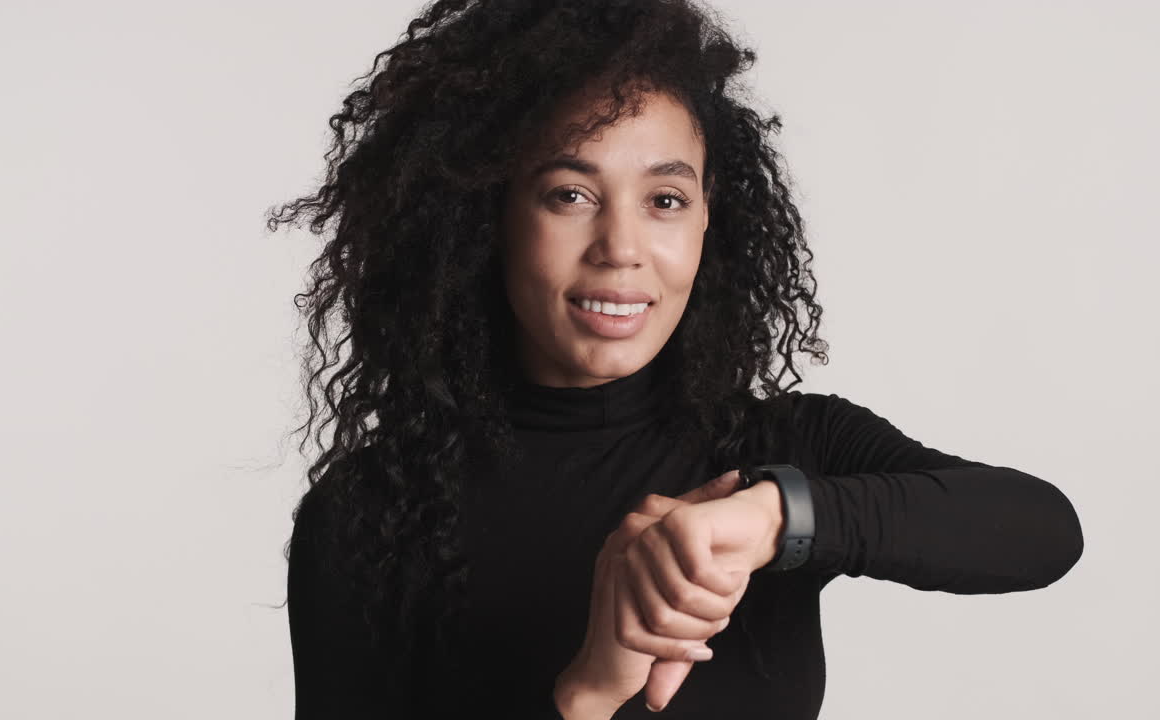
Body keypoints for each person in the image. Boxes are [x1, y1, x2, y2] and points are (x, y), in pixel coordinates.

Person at [267, 1, 1086, 718]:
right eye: (570, 194)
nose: (622, 249)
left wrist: (774, 519)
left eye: (665, 199)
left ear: (706, 219)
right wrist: (588, 690)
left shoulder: (779, 449)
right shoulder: (368, 516)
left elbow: (1042, 529)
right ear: (487, 218)